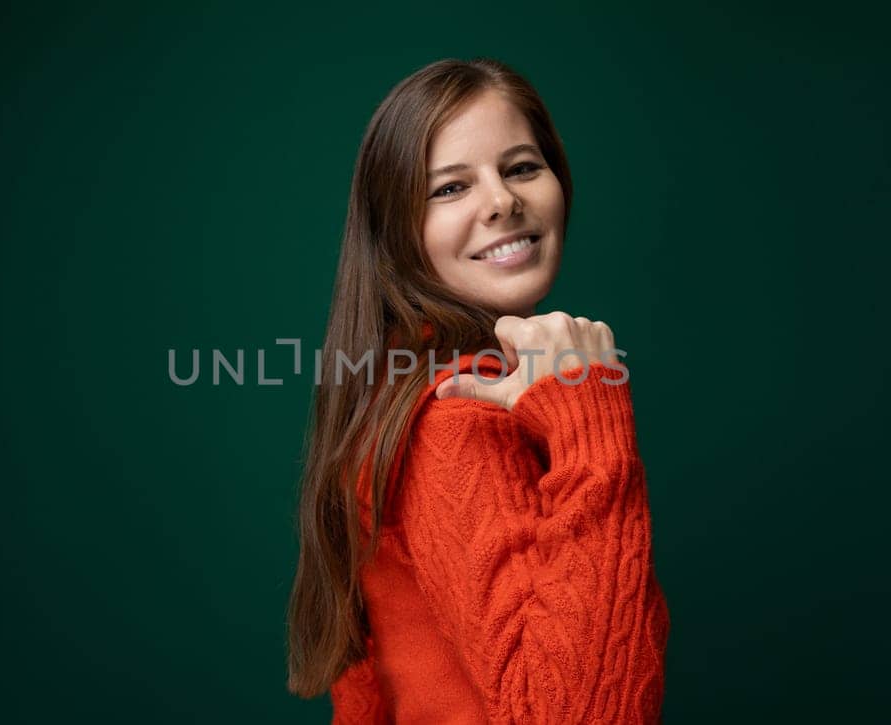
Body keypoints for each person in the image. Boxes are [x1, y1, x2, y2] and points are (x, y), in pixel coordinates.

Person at [286, 57, 669, 723]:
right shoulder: (460, 414)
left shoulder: (397, 393)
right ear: (396, 230)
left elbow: (370, 690)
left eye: (521, 167)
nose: (502, 201)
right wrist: (593, 433)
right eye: (448, 189)